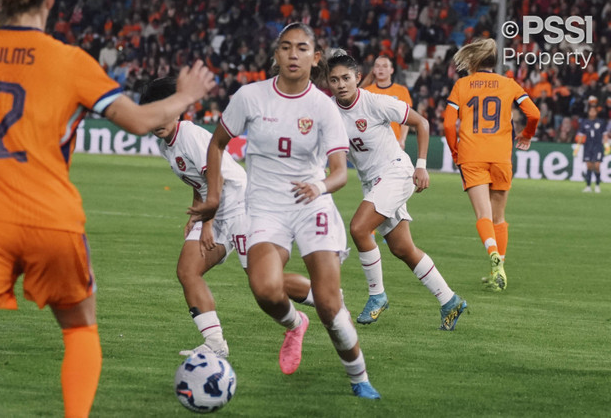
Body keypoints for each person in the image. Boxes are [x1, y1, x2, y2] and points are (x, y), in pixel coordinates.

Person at [0, 0, 215, 417]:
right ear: (48, 0)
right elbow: (139, 122)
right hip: (52, 219)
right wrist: (185, 94)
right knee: (80, 329)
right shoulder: (69, 60)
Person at [188, 23, 380, 399]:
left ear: (315, 57)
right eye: (286, 48)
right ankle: (294, 324)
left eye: (302, 48)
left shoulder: (323, 107)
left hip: (312, 205)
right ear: (276, 55)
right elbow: (217, 145)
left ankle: (358, 375)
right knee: (264, 288)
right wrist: (213, 197)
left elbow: (340, 172)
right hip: (264, 207)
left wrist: (319, 186)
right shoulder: (250, 97)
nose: (294, 55)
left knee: (328, 302)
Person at [138, 77, 312, 358]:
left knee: (262, 281)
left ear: (178, 110)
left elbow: (214, 176)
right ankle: (216, 344)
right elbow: (200, 183)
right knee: (187, 270)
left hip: (242, 207)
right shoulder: (166, 145)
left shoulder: (189, 135)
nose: (158, 120)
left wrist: (207, 223)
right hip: (216, 210)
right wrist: (196, 214)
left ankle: (324, 299)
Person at [326, 50, 467, 330]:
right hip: (373, 182)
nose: (340, 84)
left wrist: (422, 166)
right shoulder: (329, 112)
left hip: (396, 172)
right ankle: (450, 301)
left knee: (358, 228)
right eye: (333, 79)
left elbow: (421, 123)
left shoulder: (375, 102)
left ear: (357, 78)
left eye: (345, 78)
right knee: (403, 248)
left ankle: (377, 295)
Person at [443, 38, 540, 291]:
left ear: (474, 60)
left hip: (472, 155)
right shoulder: (509, 84)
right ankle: (499, 271)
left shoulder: (462, 85)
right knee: (499, 217)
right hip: (501, 156)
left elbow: (446, 124)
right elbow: (535, 114)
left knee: (482, 215)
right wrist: (527, 135)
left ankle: (493, 257)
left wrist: (455, 151)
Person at [360, 55, 413, 149]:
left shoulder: (402, 91)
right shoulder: (366, 92)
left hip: (393, 143)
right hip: (371, 143)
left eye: (384, 66)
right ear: (374, 70)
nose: (381, 69)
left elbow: (406, 119)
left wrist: (402, 139)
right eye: (377, 66)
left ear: (391, 70)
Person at [578, 105, 609, 193]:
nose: (592, 113)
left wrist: (607, 146)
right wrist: (577, 147)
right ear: (588, 112)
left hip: (598, 146)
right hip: (588, 146)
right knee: (589, 166)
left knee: (597, 166)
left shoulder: (601, 122)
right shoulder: (585, 122)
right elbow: (581, 135)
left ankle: (597, 185)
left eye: (594, 111)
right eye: (590, 111)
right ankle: (588, 186)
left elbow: (605, 135)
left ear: (596, 112)